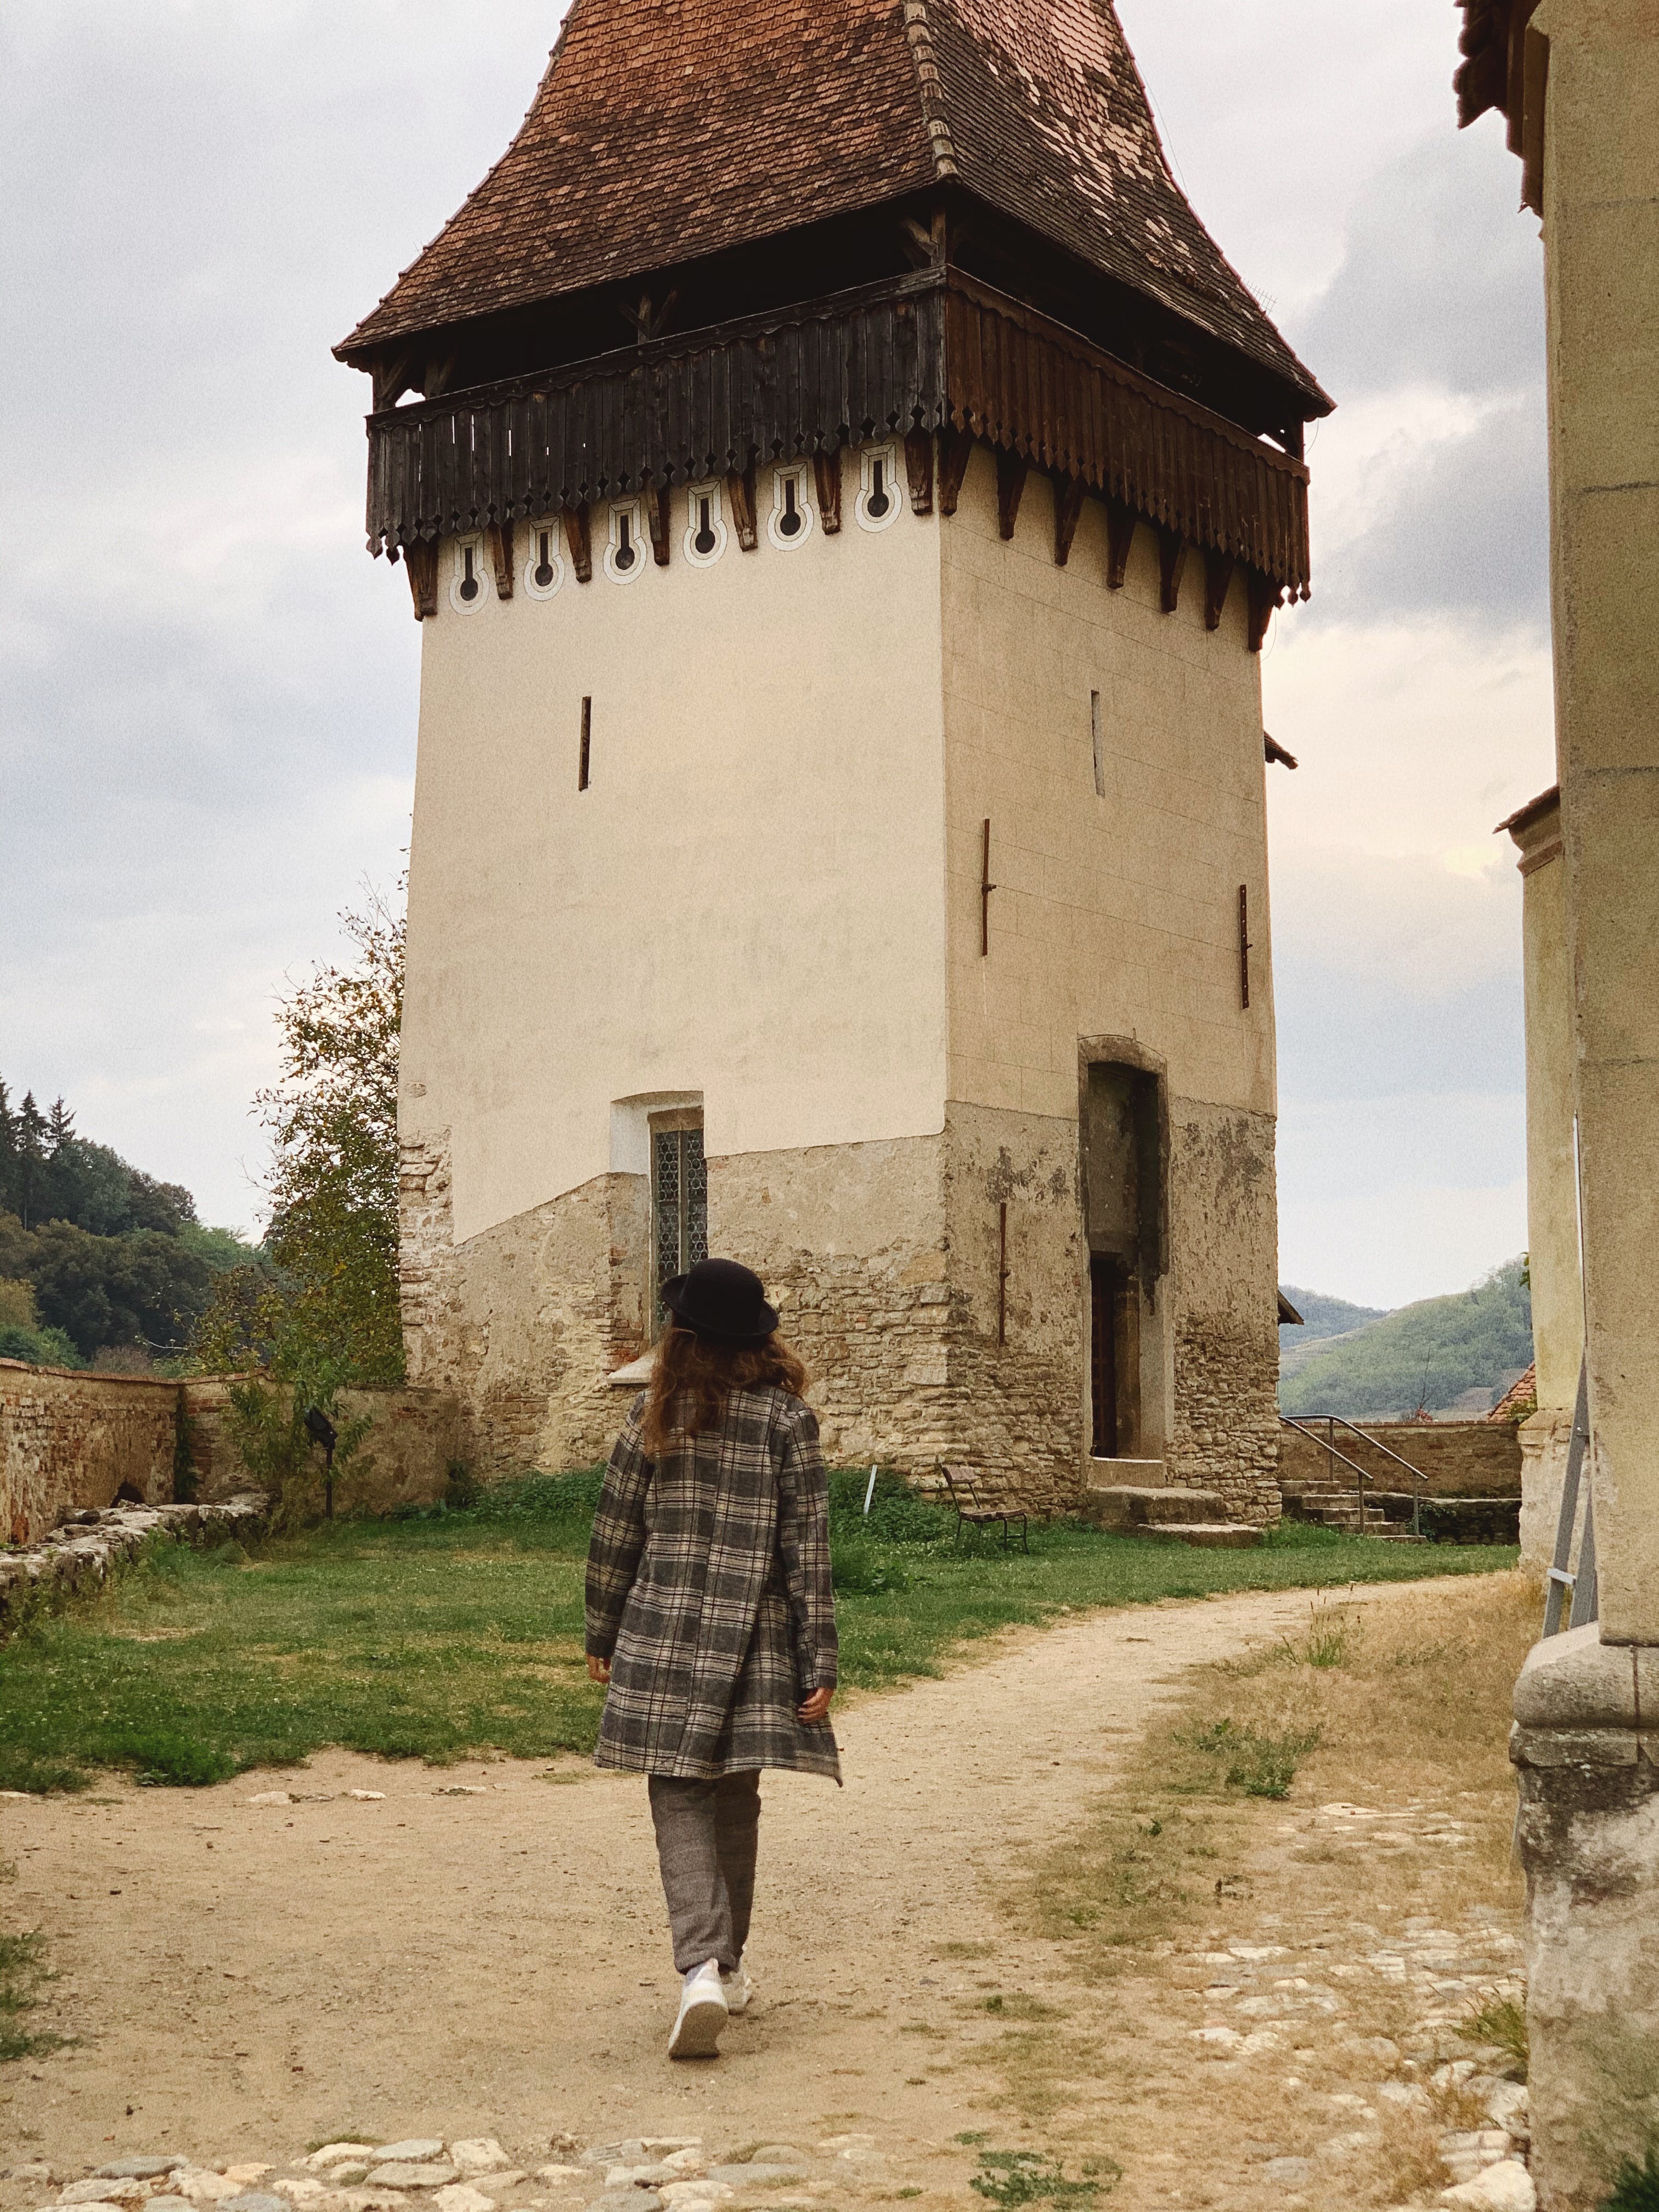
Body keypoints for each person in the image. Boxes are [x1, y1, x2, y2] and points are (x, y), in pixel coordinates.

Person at [585, 1256, 840, 2059]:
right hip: (757, 1641)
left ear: (683, 1337)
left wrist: (602, 1630)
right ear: (759, 1341)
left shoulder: (652, 1419)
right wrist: (818, 1659)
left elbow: (615, 1534)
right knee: (736, 1800)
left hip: (660, 1634)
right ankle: (725, 1969)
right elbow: (809, 1553)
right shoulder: (786, 1423)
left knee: (678, 1798)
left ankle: (697, 1967)